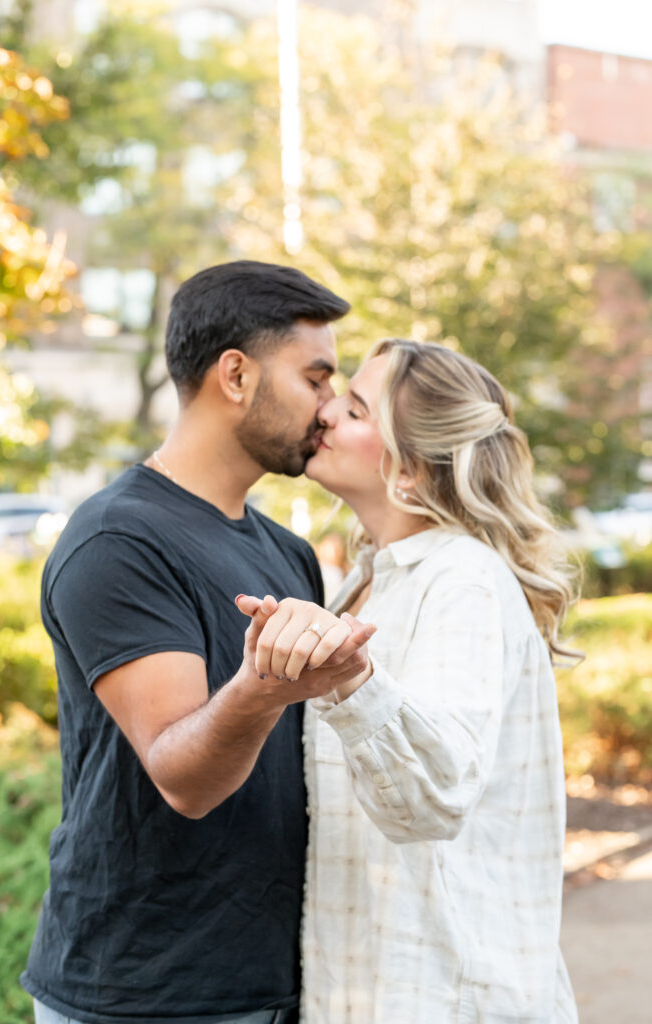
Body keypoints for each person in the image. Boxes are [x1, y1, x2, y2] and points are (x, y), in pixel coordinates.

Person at [20, 260, 376, 1024]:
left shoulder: (288, 552)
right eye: (315, 378)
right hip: (141, 994)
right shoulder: (117, 540)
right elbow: (185, 777)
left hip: (277, 982)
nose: (327, 407)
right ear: (236, 376)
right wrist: (261, 690)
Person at [238, 339, 579, 1023]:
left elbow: (433, 797)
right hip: (363, 990)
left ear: (413, 468)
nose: (325, 413)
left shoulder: (462, 580)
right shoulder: (367, 579)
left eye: (356, 409)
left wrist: (353, 681)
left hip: (447, 996)